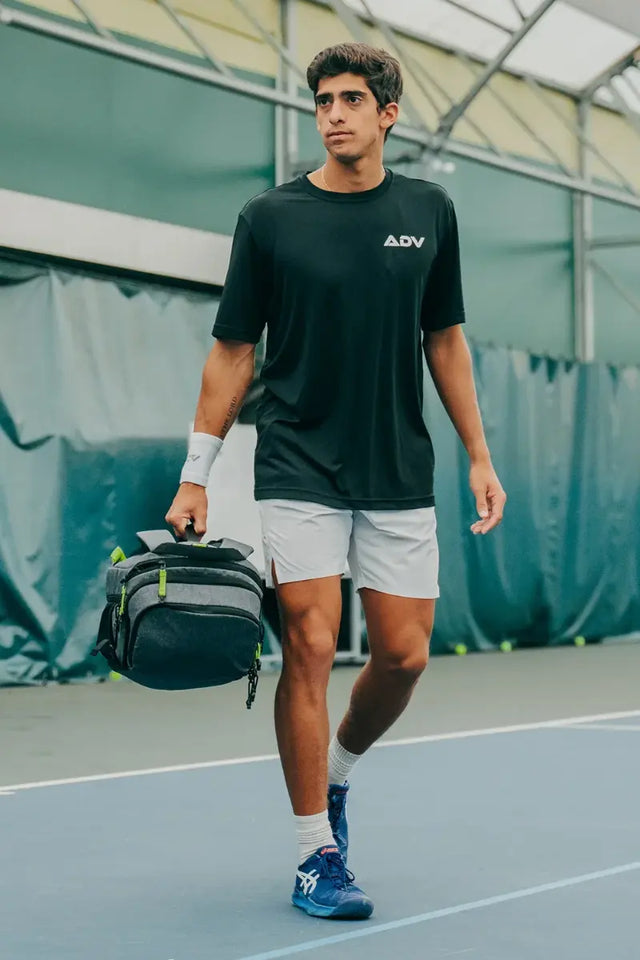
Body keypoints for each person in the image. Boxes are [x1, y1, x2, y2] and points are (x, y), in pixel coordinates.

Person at [166, 41, 506, 920]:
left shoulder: (430, 210)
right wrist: (196, 475)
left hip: (397, 464)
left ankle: (340, 776)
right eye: (324, 100)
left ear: (389, 114)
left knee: (402, 656)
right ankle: (316, 851)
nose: (336, 113)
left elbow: (446, 341)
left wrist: (478, 452)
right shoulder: (269, 218)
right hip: (296, 462)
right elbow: (232, 350)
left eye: (354, 98)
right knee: (310, 646)